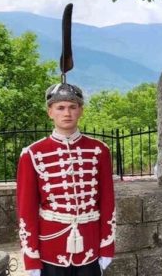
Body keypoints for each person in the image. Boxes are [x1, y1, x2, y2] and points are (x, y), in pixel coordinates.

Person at [16, 81, 115, 275]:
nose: (67, 113)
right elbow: (26, 209)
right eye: (60, 108)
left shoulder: (99, 150)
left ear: (81, 111)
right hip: (50, 247)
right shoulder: (32, 153)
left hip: (90, 245)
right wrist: (31, 256)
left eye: (72, 107)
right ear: (50, 112)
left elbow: (107, 202)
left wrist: (107, 245)